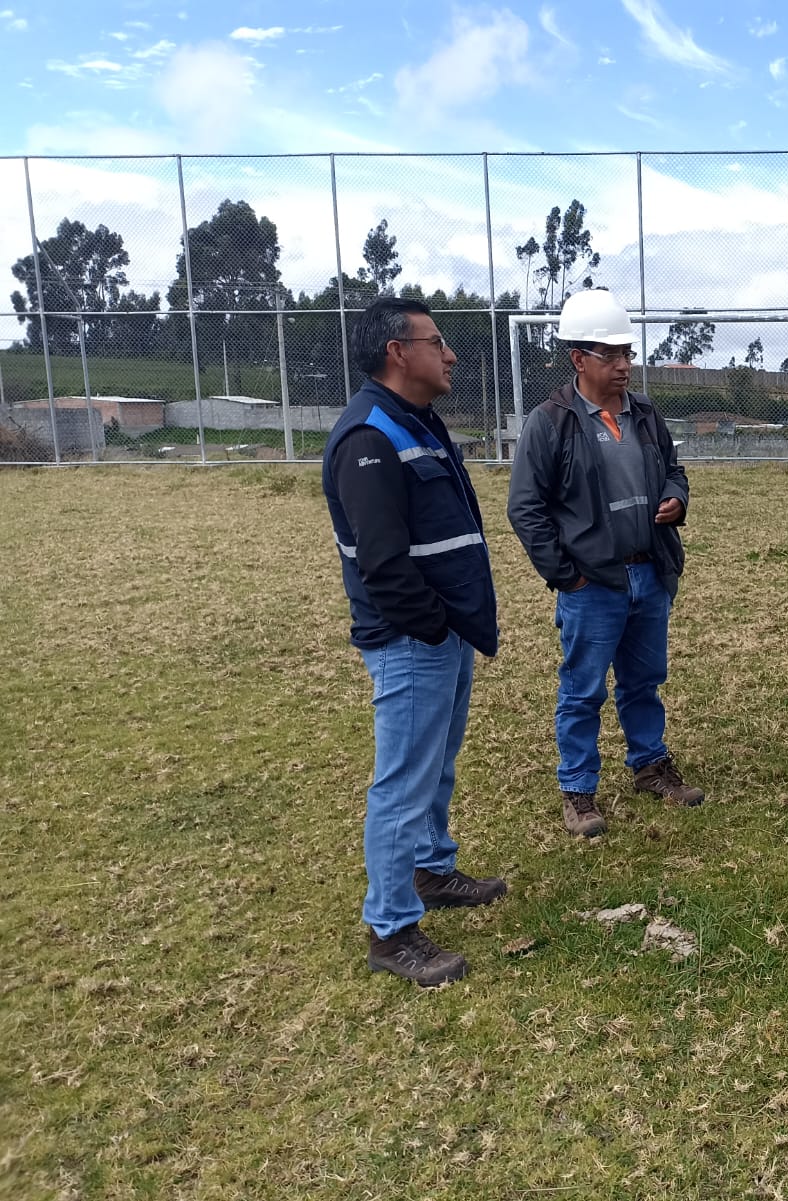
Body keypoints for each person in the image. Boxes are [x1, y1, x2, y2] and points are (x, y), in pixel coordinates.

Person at [323, 297, 506, 988]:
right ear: (398, 352)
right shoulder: (369, 437)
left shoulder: (416, 422)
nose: (450, 354)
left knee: (435, 766)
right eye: (436, 341)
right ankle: (391, 928)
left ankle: (430, 869)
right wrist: (430, 625)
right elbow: (382, 562)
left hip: (443, 634)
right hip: (412, 640)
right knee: (402, 783)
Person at [507, 289, 701, 839]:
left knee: (644, 681)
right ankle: (578, 789)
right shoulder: (551, 423)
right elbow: (525, 508)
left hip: (649, 573)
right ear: (578, 359)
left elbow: (674, 471)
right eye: (610, 355)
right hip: (592, 584)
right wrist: (566, 575)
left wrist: (676, 497)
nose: (623, 365)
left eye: (627, 353)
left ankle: (650, 765)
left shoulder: (645, 414)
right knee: (583, 690)